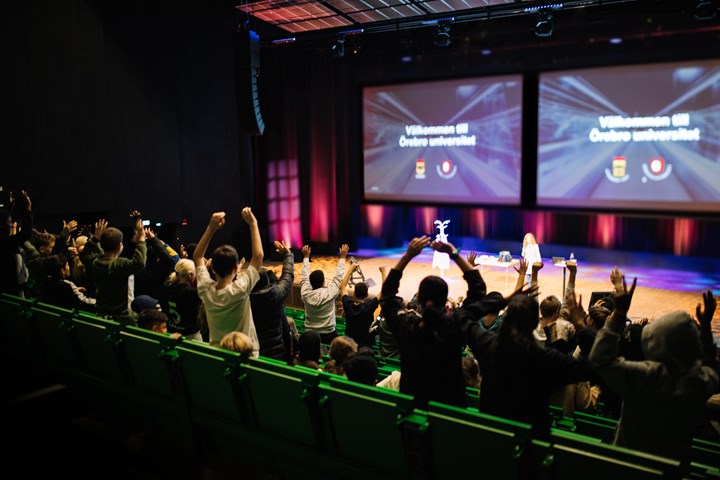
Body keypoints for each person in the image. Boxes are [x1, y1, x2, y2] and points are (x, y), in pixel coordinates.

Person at [589, 269, 719, 467]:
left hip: (628, 467)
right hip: (671, 470)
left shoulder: (643, 376)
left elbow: (600, 359)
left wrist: (619, 313)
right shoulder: (698, 383)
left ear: (652, 344)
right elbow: (711, 365)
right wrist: (706, 328)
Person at [379, 236, 487, 408]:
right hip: (449, 411)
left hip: (413, 409)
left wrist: (408, 256)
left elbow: (386, 297)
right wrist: (454, 254)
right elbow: (478, 291)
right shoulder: (456, 326)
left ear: (419, 300)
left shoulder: (406, 328)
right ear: (445, 301)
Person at [192, 209, 263, 354]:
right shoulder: (241, 289)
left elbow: (197, 256)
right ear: (236, 269)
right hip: (246, 355)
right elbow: (258, 256)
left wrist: (211, 228)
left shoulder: (206, 290)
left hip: (218, 355)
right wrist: (253, 223)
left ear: (212, 269)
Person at [80, 217, 147, 318]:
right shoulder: (119, 265)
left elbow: (83, 255)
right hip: (119, 317)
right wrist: (141, 240)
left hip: (100, 313)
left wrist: (95, 238)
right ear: (120, 246)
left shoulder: (95, 262)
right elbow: (140, 263)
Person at [250, 240, 294, 361]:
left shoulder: (243, 299)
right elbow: (287, 277)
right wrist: (288, 255)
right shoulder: (275, 295)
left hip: (255, 354)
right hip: (278, 353)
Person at [300, 244, 348, 344]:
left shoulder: (305, 293)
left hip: (310, 334)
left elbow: (304, 277)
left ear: (310, 283)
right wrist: (343, 257)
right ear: (323, 283)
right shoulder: (329, 293)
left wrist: (305, 258)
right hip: (329, 334)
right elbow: (338, 277)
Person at [157, 258, 202, 341]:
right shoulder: (193, 293)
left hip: (171, 333)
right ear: (191, 275)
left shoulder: (166, 289)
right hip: (191, 336)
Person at [0, 190, 33, 297]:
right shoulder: (6, 243)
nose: (11, 224)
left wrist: (10, 208)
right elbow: (25, 233)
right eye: (9, 222)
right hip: (14, 290)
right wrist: (27, 211)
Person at [340, 261, 379, 349]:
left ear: (354, 294)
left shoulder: (348, 304)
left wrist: (351, 268)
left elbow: (342, 286)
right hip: (365, 346)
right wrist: (383, 272)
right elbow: (384, 291)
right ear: (367, 295)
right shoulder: (369, 307)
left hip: (350, 345)